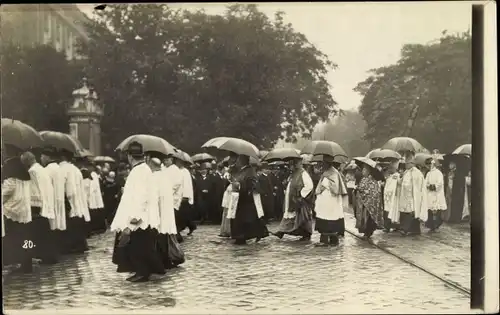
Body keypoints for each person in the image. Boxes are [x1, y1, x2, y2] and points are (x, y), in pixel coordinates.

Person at [110, 142, 164, 282]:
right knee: (141, 244)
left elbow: (141, 197)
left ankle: (142, 272)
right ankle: (144, 270)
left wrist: (134, 219)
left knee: (139, 245)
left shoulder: (138, 171)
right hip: (143, 214)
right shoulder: (144, 169)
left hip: (140, 216)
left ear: (129, 156)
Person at [20, 151, 59, 265]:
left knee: (39, 233)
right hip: (46, 202)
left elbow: (33, 189)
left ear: (27, 161)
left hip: (37, 204)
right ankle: (49, 256)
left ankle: (46, 256)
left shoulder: (32, 171)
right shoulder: (41, 168)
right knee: (45, 232)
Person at [2, 145, 33, 272]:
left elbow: (6, 192)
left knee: (14, 237)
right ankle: (27, 262)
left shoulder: (11, 173)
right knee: (26, 237)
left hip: (13, 210)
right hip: (24, 209)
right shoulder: (24, 172)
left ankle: (17, 261)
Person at [227, 155, 269, 245]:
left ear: (242, 161)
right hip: (240, 199)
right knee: (245, 220)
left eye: (238, 160)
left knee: (247, 220)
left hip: (246, 200)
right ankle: (241, 236)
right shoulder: (241, 171)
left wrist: (239, 185)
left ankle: (242, 237)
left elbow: (252, 185)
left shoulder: (250, 171)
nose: (236, 162)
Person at [273, 156, 314, 241]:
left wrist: (301, 195)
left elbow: (309, 186)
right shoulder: (294, 174)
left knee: (302, 217)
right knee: (290, 216)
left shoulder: (303, 173)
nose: (290, 167)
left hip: (300, 200)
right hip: (292, 199)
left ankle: (306, 234)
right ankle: (281, 231)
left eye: (292, 164)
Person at [59, 149, 91, 254]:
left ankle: (74, 245)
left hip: (70, 200)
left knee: (72, 224)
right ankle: (80, 244)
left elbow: (68, 189)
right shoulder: (76, 169)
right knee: (77, 223)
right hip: (78, 201)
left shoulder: (63, 169)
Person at [314, 156, 348, 246]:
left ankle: (333, 240)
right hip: (325, 201)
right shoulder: (325, 172)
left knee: (330, 219)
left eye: (324, 163)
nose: (322, 165)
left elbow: (335, 188)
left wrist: (326, 182)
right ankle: (324, 239)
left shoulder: (334, 173)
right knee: (323, 218)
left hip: (331, 201)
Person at [398, 153, 428, 236]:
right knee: (408, 213)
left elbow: (416, 186)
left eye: (407, 164)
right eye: (406, 163)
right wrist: (400, 177)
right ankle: (415, 229)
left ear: (412, 163)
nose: (406, 165)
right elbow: (402, 182)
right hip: (405, 196)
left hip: (413, 196)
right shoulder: (406, 172)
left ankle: (405, 229)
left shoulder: (417, 173)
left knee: (412, 213)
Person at [354, 158, 384, 240]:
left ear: (368, 171)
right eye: (362, 169)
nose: (362, 171)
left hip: (369, 205)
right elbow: (361, 188)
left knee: (369, 220)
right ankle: (365, 232)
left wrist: (363, 192)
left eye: (364, 169)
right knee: (363, 219)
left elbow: (374, 192)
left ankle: (368, 233)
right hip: (362, 204)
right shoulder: (363, 179)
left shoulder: (372, 180)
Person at [424, 158, 447, 232]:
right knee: (430, 209)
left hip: (437, 194)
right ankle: (430, 225)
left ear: (432, 164)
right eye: (427, 165)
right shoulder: (428, 173)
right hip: (430, 194)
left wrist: (432, 186)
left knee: (437, 210)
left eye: (429, 165)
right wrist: (427, 185)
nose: (428, 167)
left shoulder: (438, 173)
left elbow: (440, 183)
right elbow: (425, 182)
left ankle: (436, 224)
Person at [177, 154, 197, 236]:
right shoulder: (177, 171)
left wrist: (186, 196)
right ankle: (191, 225)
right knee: (183, 215)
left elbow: (187, 185)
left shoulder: (185, 171)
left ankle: (181, 229)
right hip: (179, 195)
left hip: (184, 196)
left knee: (183, 214)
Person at [383, 160, 401, 232]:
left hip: (393, 196)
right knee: (387, 211)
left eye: (391, 168)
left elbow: (393, 186)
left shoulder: (396, 176)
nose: (389, 169)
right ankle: (387, 226)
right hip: (388, 197)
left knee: (392, 211)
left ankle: (393, 226)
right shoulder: (390, 176)